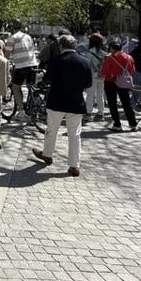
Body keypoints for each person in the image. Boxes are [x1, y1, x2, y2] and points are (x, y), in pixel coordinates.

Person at [33, 35, 93, 176]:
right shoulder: (85, 62)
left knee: (51, 130)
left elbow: (47, 79)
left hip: (56, 101)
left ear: (61, 46)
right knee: (75, 135)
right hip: (76, 102)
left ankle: (47, 154)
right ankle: (74, 165)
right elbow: (88, 83)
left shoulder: (55, 60)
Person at [5, 19, 38, 121]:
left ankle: (21, 112)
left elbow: (6, 55)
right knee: (31, 87)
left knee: (15, 87)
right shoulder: (27, 36)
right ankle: (33, 108)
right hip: (33, 64)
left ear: (11, 28)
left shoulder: (12, 38)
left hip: (21, 66)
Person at [101, 41, 138, 131]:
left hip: (110, 82)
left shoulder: (109, 58)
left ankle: (117, 125)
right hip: (124, 82)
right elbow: (132, 71)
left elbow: (105, 72)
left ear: (112, 49)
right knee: (127, 104)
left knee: (112, 104)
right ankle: (133, 124)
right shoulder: (129, 57)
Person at [82, 33, 107, 121]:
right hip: (102, 76)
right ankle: (101, 114)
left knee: (90, 95)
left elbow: (87, 65)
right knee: (100, 95)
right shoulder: (104, 52)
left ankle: (88, 114)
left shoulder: (89, 52)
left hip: (92, 76)